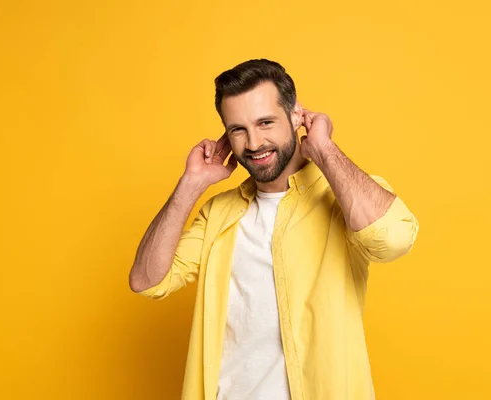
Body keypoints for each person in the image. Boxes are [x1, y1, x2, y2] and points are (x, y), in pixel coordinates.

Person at [128, 59, 419, 400]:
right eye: (238, 129)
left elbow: (395, 239)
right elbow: (146, 281)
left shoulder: (341, 196)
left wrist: (324, 149)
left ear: (296, 115)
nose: (253, 143)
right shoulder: (219, 214)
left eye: (265, 122)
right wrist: (190, 185)